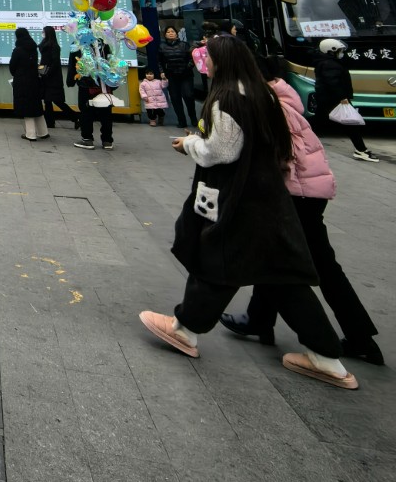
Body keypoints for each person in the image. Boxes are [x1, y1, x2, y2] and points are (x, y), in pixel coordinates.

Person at [138, 35, 358, 390]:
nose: (204, 63)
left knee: (215, 263)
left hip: (239, 199)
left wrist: (189, 143)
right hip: (270, 198)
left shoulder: (227, 98)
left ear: (221, 61)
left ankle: (185, 330)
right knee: (285, 279)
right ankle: (327, 359)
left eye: (207, 57)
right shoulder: (262, 93)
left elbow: (219, 152)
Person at [221, 59, 383, 365]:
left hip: (298, 194)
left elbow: (280, 155)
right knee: (277, 257)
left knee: (317, 266)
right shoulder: (282, 99)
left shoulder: (271, 106)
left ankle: (358, 338)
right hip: (309, 191)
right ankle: (259, 319)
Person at [313, 38, 378, 161]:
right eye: (340, 51)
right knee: (350, 123)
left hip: (327, 98)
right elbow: (334, 83)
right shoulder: (330, 64)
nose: (342, 53)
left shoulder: (325, 62)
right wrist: (343, 97)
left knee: (317, 124)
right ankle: (361, 150)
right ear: (330, 51)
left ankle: (298, 145)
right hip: (335, 99)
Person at [69, 45, 113, 150]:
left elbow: (73, 64)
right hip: (104, 85)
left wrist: (71, 80)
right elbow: (111, 62)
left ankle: (87, 139)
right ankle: (107, 140)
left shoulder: (79, 44)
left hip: (86, 85)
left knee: (86, 112)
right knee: (106, 113)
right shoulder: (104, 43)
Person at [10, 27, 47, 141]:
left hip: (22, 82)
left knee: (26, 107)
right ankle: (43, 132)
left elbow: (12, 66)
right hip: (34, 80)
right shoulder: (33, 48)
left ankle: (30, 134)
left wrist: (16, 74)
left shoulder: (18, 50)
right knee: (36, 106)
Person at [158, 24, 198, 129]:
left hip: (186, 75)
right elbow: (159, 62)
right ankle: (181, 121)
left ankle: (193, 118)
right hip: (171, 76)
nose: (170, 33)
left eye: (172, 31)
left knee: (188, 96)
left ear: (176, 33)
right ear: (165, 35)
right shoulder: (162, 46)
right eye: (168, 32)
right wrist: (162, 72)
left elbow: (192, 58)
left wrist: (188, 67)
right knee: (175, 99)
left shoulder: (184, 45)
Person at [38, 25, 74, 129]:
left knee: (58, 101)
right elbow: (43, 61)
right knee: (47, 100)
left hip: (53, 78)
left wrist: (45, 72)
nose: (42, 34)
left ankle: (75, 117)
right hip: (45, 76)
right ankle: (50, 122)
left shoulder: (54, 46)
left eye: (44, 32)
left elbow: (55, 63)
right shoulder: (44, 44)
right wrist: (41, 72)